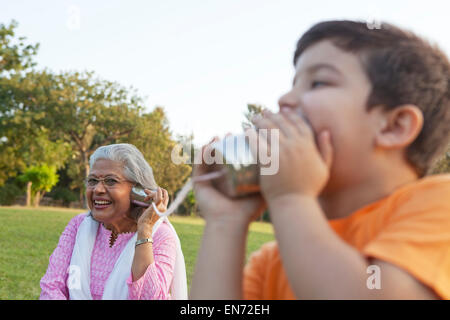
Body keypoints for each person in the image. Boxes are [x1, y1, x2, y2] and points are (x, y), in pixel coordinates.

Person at [189, 20, 450, 299]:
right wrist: (225, 222)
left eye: (318, 82)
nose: (284, 99)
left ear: (393, 126)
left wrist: (291, 198)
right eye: (293, 83)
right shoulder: (275, 260)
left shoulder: (440, 203)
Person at [40, 143, 187, 300]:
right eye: (92, 180)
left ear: (138, 191)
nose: (97, 189)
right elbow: (51, 287)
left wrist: (144, 231)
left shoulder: (160, 236)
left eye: (110, 181)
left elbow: (150, 298)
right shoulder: (78, 226)